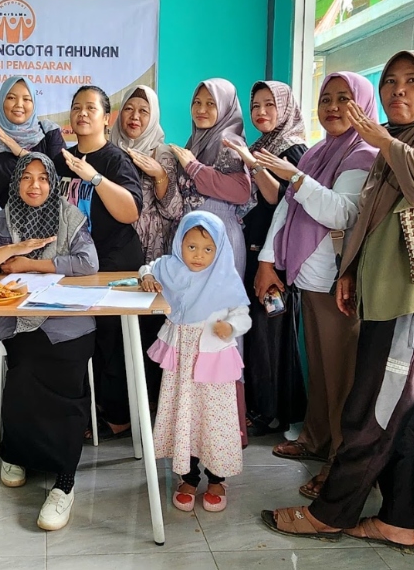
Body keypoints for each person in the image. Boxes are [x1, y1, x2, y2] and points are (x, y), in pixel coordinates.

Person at [263, 51, 414, 554]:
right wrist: (349, 272)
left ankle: (329, 514)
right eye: (391, 81)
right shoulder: (395, 144)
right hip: (386, 295)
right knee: (401, 414)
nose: (398, 90)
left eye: (412, 82)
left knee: (370, 411)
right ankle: (398, 521)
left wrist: (385, 143)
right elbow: (369, 219)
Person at [0, 152, 98, 532]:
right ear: (16, 182)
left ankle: (64, 482)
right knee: (24, 371)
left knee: (67, 377)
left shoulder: (70, 217)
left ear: (53, 184)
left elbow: (88, 262)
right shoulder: (1, 221)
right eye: (27, 178)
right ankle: (18, 453)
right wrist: (11, 250)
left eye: (43, 178)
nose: (35, 185)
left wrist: (33, 265)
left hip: (69, 323)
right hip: (20, 322)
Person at [255, 72, 379, 499]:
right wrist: (267, 261)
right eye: (326, 98)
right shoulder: (318, 153)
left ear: (362, 105)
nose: (333, 107)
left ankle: (338, 464)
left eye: (344, 99)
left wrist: (296, 179)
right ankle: (315, 438)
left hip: (336, 282)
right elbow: (286, 213)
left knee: (342, 375)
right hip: (307, 278)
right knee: (320, 370)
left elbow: (342, 213)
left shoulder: (365, 154)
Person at [140, 211, 251, 513]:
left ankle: (217, 480)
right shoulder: (170, 268)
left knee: (214, 422)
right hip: (181, 362)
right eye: (191, 247)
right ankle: (187, 477)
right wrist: (148, 276)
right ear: (179, 244)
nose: (198, 256)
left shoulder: (225, 279)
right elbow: (148, 267)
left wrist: (231, 327)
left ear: (219, 250)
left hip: (214, 365)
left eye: (207, 249)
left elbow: (242, 315)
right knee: (183, 417)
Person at [52, 85, 143, 441]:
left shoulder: (115, 159)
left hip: (115, 263)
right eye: (77, 107)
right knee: (79, 340)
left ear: (107, 118)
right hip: (75, 264)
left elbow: (130, 211)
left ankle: (118, 417)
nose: (82, 113)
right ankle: (86, 411)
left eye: (91, 108)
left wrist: (94, 177)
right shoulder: (61, 159)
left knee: (112, 342)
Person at [169, 78, 254, 446]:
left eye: (210, 103)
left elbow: (241, 190)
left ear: (226, 108)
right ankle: (196, 422)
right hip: (195, 248)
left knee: (219, 330)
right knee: (194, 329)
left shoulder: (229, 142)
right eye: (196, 102)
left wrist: (193, 168)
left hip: (220, 247)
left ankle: (227, 428)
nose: (202, 110)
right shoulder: (196, 143)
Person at [222, 81, 307, 438]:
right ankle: (263, 406)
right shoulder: (259, 145)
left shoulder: (295, 149)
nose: (261, 113)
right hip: (254, 251)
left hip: (277, 259)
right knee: (256, 331)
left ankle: (273, 413)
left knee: (272, 335)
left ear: (285, 108)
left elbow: (279, 200)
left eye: (270, 105)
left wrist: (252, 164)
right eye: (256, 105)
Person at [109, 84, 184, 407]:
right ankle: (117, 410)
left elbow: (174, 210)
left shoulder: (164, 153)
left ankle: (150, 410)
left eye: (143, 111)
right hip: (113, 252)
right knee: (112, 334)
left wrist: (160, 177)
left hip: (153, 254)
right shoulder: (108, 149)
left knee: (150, 332)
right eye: (129, 108)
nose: (135, 116)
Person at [0, 76, 65, 207]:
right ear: (1, 102)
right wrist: (1, 225)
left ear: (34, 104)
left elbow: (59, 180)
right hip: (3, 222)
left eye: (27, 99)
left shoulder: (49, 133)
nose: (19, 104)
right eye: (11, 98)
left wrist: (21, 153)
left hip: (49, 221)